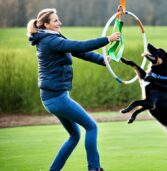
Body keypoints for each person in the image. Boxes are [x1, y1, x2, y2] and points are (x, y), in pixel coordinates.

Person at [27, 8, 120, 171]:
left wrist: (102, 59)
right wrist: (107, 39)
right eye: (55, 20)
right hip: (57, 98)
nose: (59, 23)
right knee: (91, 127)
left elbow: (78, 51)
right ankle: (94, 168)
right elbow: (80, 45)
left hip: (53, 97)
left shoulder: (51, 38)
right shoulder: (50, 41)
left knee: (74, 136)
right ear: (46, 25)